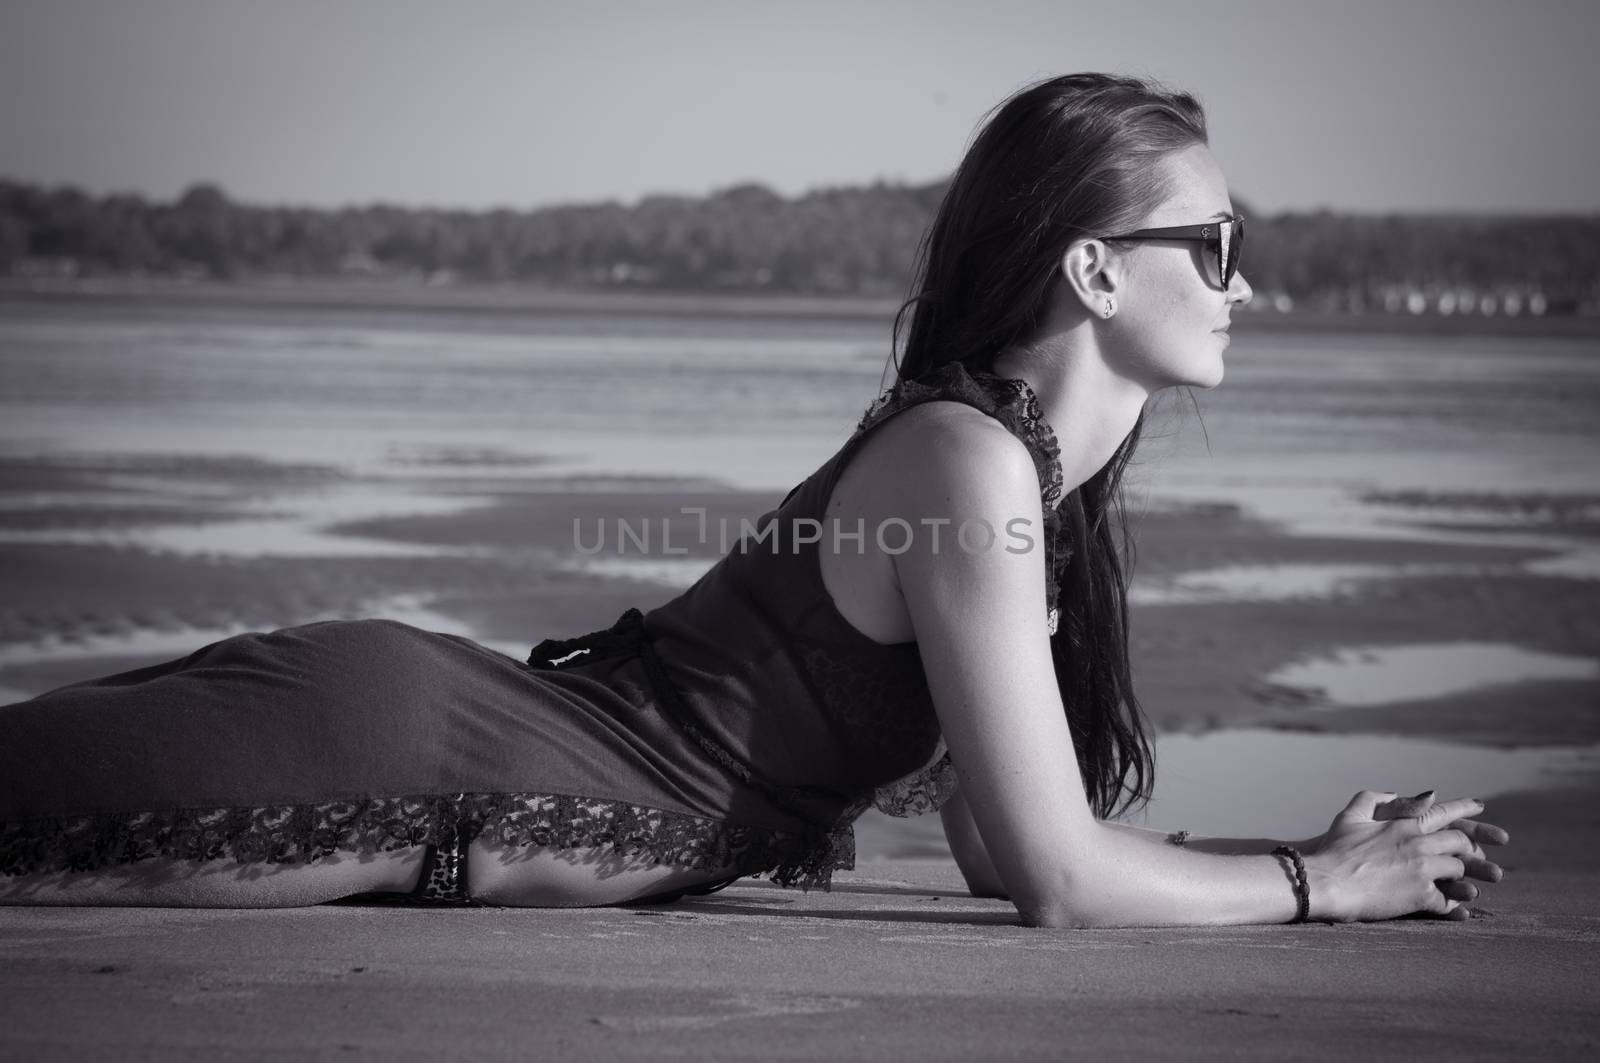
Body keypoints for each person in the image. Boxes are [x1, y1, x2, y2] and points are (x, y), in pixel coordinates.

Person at [0, 73, 1508, 924]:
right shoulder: (966, 462)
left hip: (424, 757)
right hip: (383, 750)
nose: (1253, 282)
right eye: (1222, 245)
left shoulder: (1013, 486)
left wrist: (1300, 858)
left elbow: (1001, 848)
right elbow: (1056, 877)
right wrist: (1322, 882)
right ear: (1097, 270)